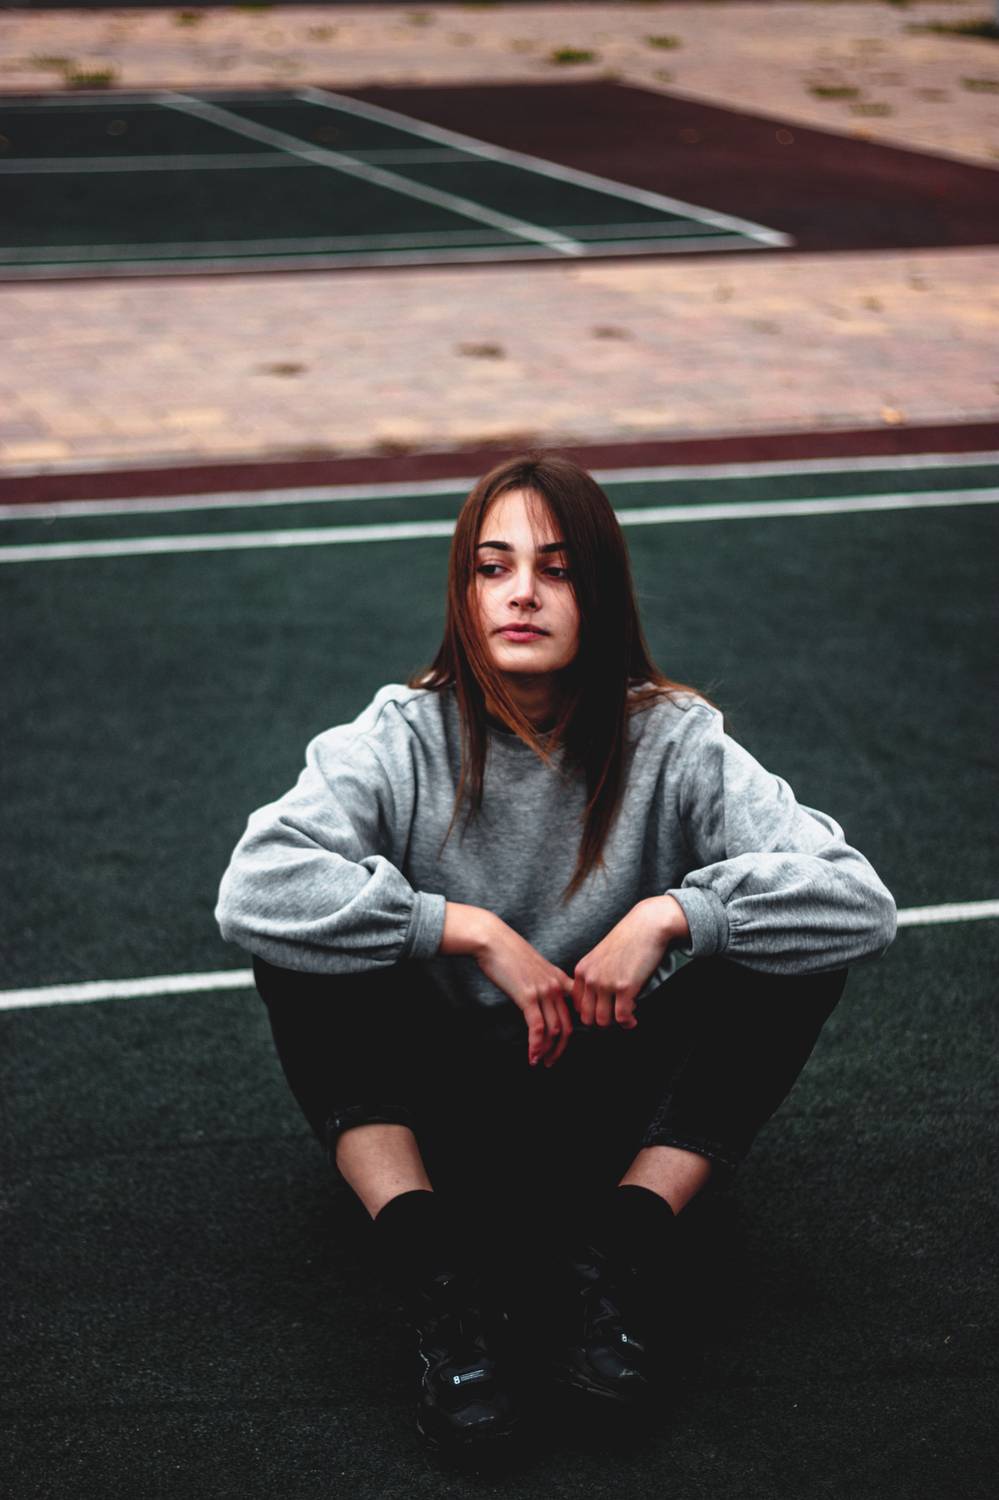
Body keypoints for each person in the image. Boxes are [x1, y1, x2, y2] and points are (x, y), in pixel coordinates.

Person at [216, 452, 896, 1460]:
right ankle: (433, 1269)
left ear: (600, 591)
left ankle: (621, 1248)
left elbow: (858, 900)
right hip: (441, 1105)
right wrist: (464, 928)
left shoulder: (673, 740)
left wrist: (675, 914)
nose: (522, 593)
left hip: (607, 1098)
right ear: (465, 592)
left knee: (788, 945)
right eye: (492, 567)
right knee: (302, 945)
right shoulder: (401, 736)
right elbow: (253, 888)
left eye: (557, 568)